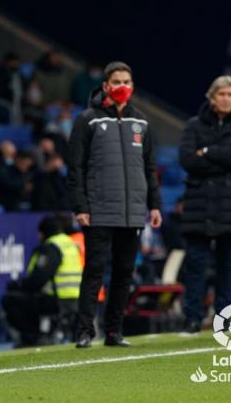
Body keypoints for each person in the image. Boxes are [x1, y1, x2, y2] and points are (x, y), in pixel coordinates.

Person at [66, 61, 162, 348]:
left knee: (123, 274)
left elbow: (149, 169)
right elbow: (75, 168)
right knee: (94, 270)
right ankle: (85, 331)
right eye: (117, 82)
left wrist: (154, 205)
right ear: (106, 86)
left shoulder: (141, 123)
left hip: (132, 212)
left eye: (127, 82)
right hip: (98, 211)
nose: (123, 87)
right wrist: (80, 206)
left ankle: (114, 332)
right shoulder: (88, 120)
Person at [178, 75, 231, 334]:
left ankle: (225, 319)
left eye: (230, 95)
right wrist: (224, 153)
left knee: (226, 266)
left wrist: (207, 152)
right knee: (196, 265)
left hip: (229, 207)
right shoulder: (194, 125)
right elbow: (187, 159)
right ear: (211, 98)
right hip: (199, 205)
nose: (225, 99)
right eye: (221, 94)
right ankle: (192, 318)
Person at [1, 215, 82, 347]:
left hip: (57, 300)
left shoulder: (52, 247)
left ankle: (33, 337)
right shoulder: (70, 243)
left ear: (44, 232)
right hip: (76, 298)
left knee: (10, 300)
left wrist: (18, 285)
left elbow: (38, 279)